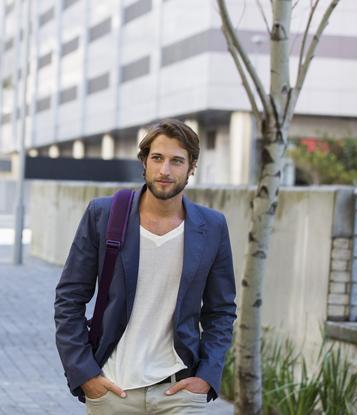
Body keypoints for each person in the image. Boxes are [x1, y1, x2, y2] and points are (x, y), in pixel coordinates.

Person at [54, 119, 236, 414]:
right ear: (144, 162)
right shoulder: (104, 215)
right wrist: (85, 373)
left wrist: (206, 377)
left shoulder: (212, 226)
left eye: (177, 161)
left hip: (179, 389)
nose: (165, 170)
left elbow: (221, 310)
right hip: (114, 388)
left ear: (191, 167)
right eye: (157, 158)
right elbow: (69, 299)